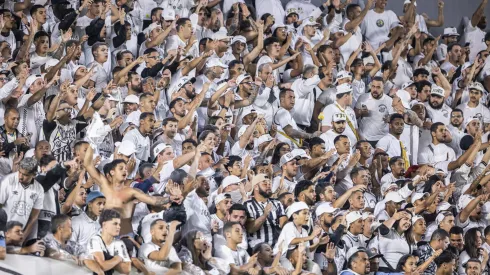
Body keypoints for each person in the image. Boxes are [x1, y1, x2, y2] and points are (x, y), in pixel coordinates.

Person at [87, 209, 132, 274]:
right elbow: (102, 266)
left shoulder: (120, 243)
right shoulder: (95, 240)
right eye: (115, 224)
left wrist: (108, 260)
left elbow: (127, 269)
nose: (119, 227)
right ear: (104, 225)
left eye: (119, 224)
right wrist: (118, 258)